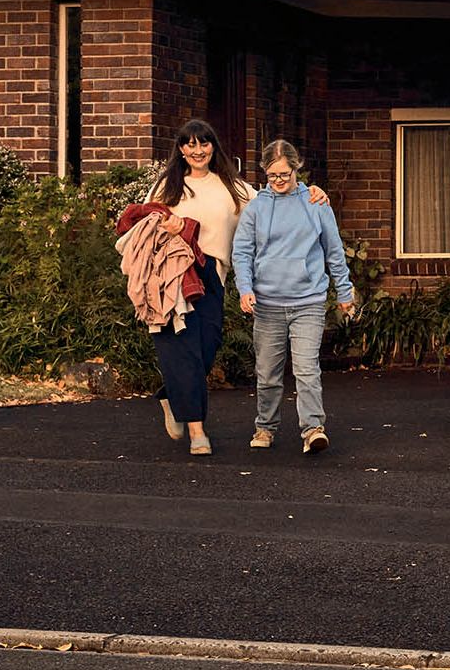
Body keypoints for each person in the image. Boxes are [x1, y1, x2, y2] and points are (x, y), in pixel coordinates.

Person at [135, 119, 323, 456]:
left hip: (212, 277)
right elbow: (142, 225)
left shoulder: (232, 187)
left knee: (206, 349)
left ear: (213, 147)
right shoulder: (167, 187)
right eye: (189, 144)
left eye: (204, 143)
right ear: (180, 149)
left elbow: (275, 195)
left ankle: (171, 394)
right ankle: (197, 433)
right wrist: (170, 227)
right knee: (185, 351)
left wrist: (309, 190)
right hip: (171, 278)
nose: (197, 150)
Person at [233, 140, 356, 455]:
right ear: (264, 172)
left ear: (296, 168)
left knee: (306, 369)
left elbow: (333, 250)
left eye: (284, 174)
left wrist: (344, 292)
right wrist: (245, 289)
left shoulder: (315, 203)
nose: (278, 181)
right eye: (272, 175)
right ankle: (265, 427)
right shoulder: (257, 207)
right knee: (268, 373)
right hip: (267, 304)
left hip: (308, 302)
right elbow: (242, 252)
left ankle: (313, 429)